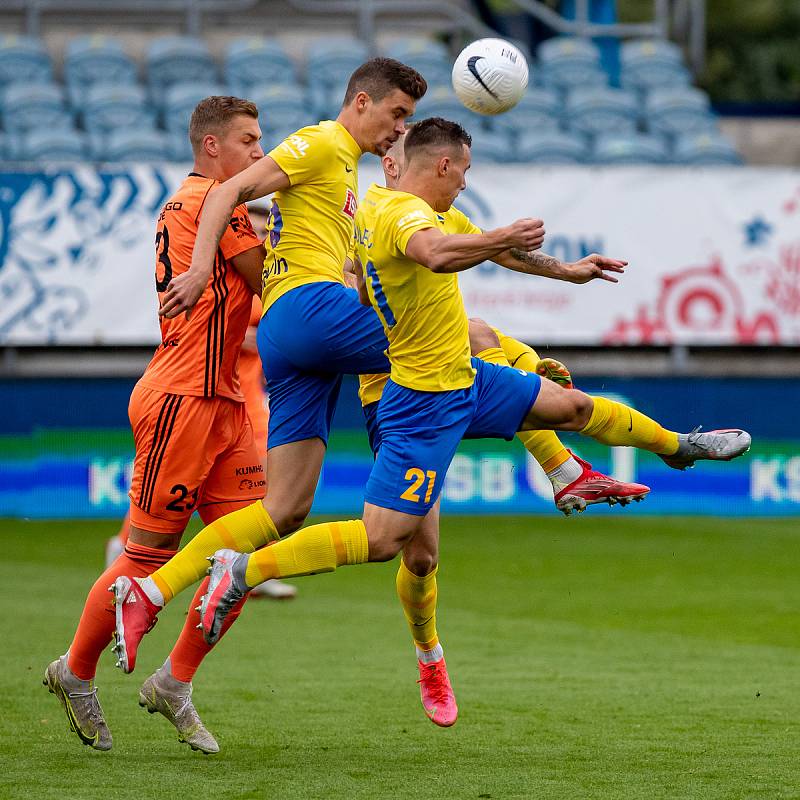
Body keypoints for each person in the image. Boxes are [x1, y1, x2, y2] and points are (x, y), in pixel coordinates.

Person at [195, 118, 751, 724]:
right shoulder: (395, 214)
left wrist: (569, 270)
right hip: (416, 405)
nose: (465, 183)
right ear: (442, 166)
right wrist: (495, 238)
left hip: (465, 380)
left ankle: (677, 445)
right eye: (464, 170)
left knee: (574, 406)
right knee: (397, 547)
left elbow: (494, 248)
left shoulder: (428, 213)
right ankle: (246, 570)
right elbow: (436, 254)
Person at [44, 96, 272, 754]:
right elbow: (270, 282)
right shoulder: (212, 201)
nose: (260, 153)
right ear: (211, 147)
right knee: (147, 557)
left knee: (242, 560)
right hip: (182, 400)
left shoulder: (208, 202)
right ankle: (75, 673)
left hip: (221, 401)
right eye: (249, 141)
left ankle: (173, 681)